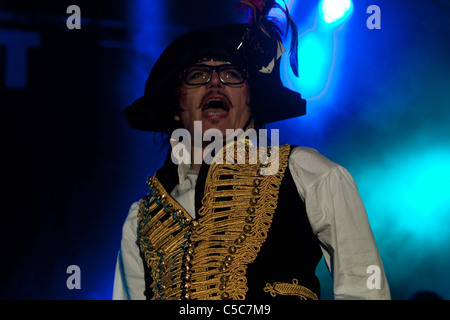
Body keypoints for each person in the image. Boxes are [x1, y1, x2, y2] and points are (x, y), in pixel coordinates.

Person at [113, 0, 390, 300]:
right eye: (197, 75)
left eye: (232, 74)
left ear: (251, 101)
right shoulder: (142, 219)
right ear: (176, 107)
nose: (215, 84)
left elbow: (364, 289)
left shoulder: (306, 173)